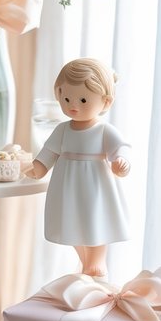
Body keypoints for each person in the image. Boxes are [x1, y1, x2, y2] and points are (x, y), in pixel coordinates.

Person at [29, 58, 130, 277]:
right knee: (72, 223)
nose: (73, 106)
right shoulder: (63, 129)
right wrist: (38, 167)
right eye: (66, 99)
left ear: (106, 102)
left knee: (95, 221)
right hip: (68, 185)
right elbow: (49, 151)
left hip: (96, 185)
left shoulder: (104, 130)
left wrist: (121, 163)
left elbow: (121, 149)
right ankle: (86, 261)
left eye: (83, 100)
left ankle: (96, 260)